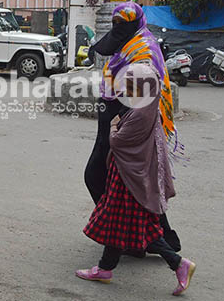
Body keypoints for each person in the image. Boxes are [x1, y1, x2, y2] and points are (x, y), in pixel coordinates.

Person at [76, 63, 195, 295]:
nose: (126, 92)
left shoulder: (140, 113)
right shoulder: (147, 106)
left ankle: (179, 263)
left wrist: (112, 127)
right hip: (131, 176)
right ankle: (105, 269)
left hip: (128, 179)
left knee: (134, 228)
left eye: (131, 88)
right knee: (119, 225)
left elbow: (118, 142)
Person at [85, 2, 181, 253]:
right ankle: (153, 239)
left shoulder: (145, 49)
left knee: (109, 178)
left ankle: (148, 241)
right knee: (130, 184)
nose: (118, 28)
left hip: (129, 124)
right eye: (115, 23)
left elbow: (145, 96)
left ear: (136, 23)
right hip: (114, 120)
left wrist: (121, 129)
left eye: (122, 23)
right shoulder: (128, 43)